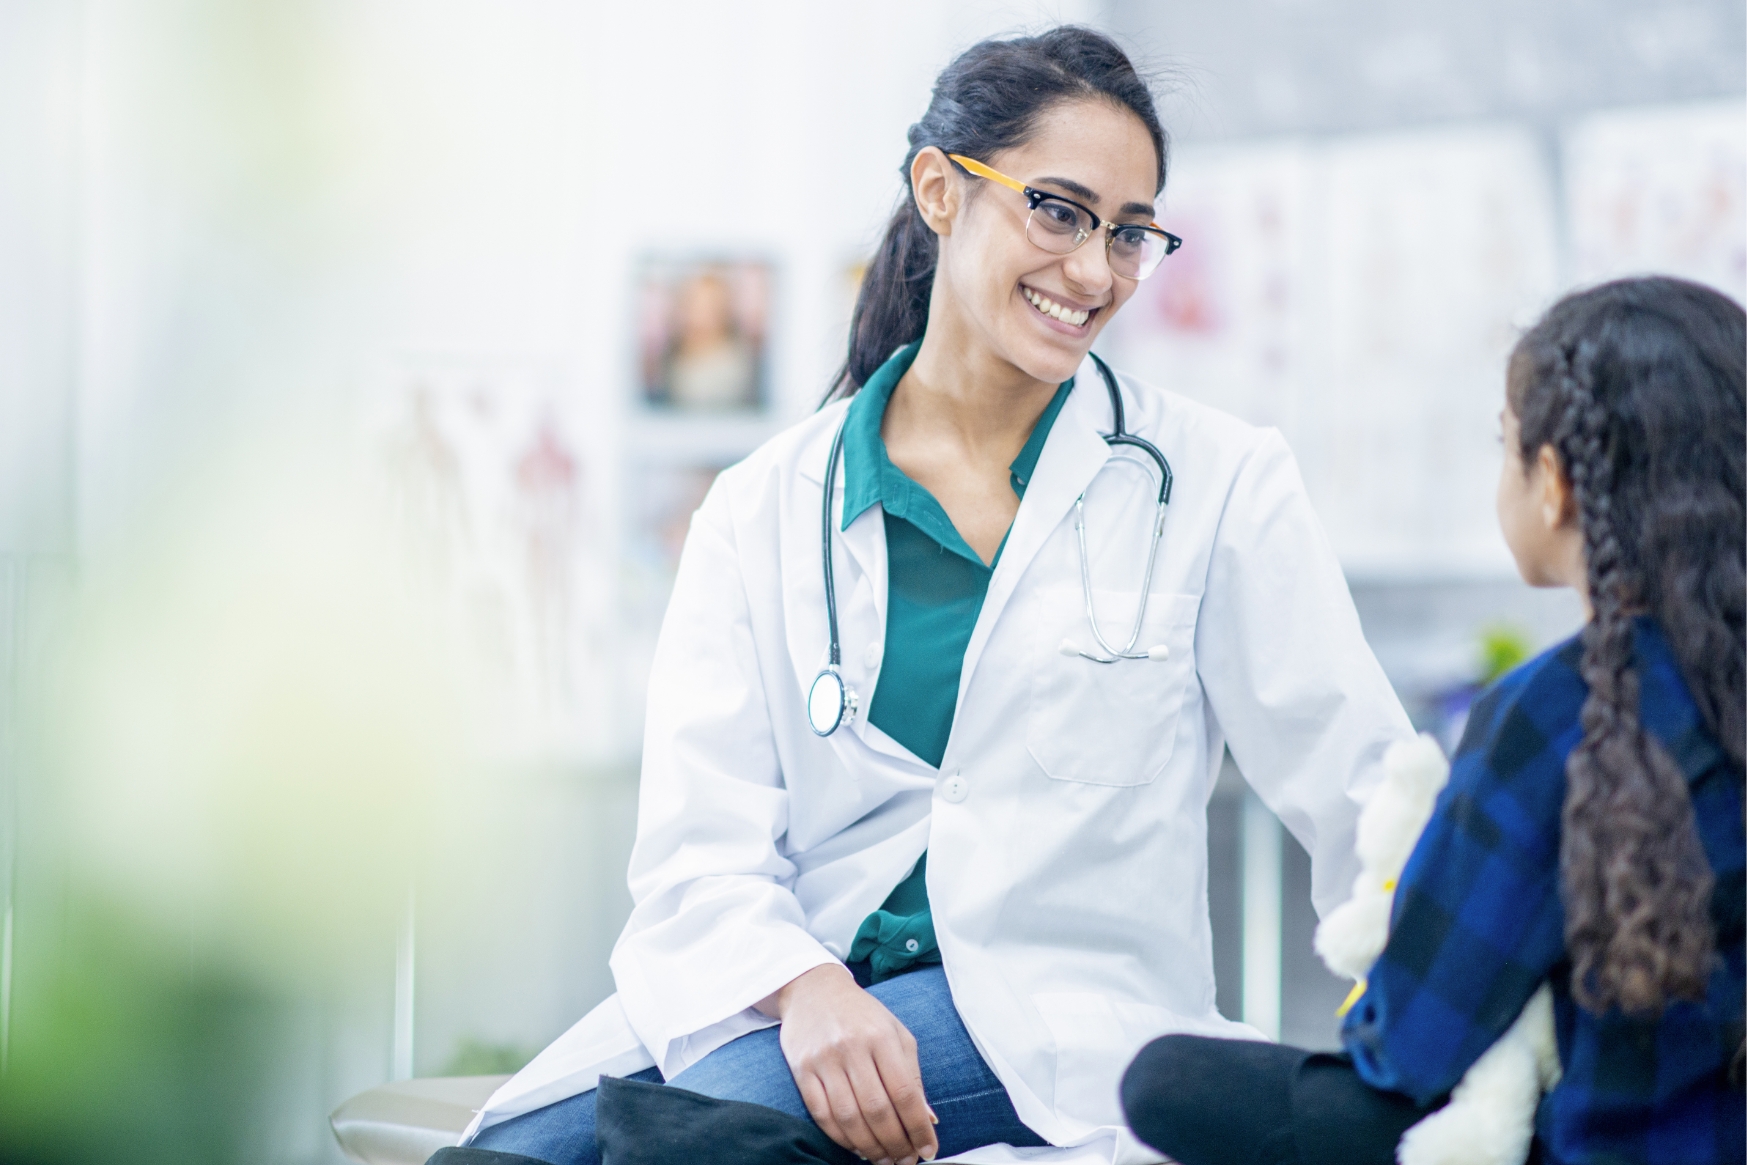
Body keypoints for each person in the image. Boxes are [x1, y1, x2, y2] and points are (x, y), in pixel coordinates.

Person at [456, 26, 1411, 1165]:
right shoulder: (764, 508)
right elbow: (694, 857)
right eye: (1058, 211)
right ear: (939, 191)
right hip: (794, 1003)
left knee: (657, 1141)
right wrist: (806, 985)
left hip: (1050, 1022)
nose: (1096, 271)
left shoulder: (1212, 484)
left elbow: (1358, 782)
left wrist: (1446, 1050)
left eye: (1129, 232)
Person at [1120, 276, 1747, 1165]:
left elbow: (1410, 1046)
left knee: (1166, 1081)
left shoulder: (1557, 712)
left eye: (1504, 445)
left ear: (1555, 484)